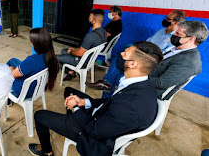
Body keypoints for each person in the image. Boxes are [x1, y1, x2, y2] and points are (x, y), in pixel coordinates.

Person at [28, 42, 163, 156]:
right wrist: (83, 102)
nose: (120, 55)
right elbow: (111, 102)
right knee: (69, 91)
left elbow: (94, 130)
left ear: (133, 64)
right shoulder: (143, 84)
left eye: (125, 54)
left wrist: (76, 108)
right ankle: (70, 120)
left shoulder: (128, 106)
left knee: (39, 115)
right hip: (104, 117)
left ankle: (47, 152)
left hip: (93, 137)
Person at [87, 10, 186, 94]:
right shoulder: (162, 31)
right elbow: (148, 42)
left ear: (176, 22)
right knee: (126, 49)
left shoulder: (175, 39)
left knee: (120, 59)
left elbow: (161, 57)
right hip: (142, 54)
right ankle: (107, 83)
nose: (165, 19)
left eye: (168, 18)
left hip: (149, 61)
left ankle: (107, 79)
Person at [149, 20, 208, 99]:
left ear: (191, 39)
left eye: (178, 34)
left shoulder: (188, 62)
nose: (173, 34)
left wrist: (136, 76)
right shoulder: (177, 48)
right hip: (147, 79)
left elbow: (161, 83)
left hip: (150, 92)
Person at [6, 28, 59, 105]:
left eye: (32, 42)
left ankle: (8, 97)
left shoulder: (31, 60)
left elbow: (13, 74)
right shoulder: (51, 57)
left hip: (23, 92)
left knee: (8, 69)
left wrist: (10, 69)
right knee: (12, 60)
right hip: (39, 89)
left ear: (37, 44)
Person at [57, 9, 107, 81]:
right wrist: (75, 50)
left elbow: (80, 53)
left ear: (95, 21)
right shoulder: (104, 32)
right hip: (90, 59)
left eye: (90, 18)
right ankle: (71, 72)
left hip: (82, 61)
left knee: (54, 58)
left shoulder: (91, 36)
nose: (88, 19)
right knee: (63, 51)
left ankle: (69, 71)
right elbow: (87, 48)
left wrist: (71, 52)